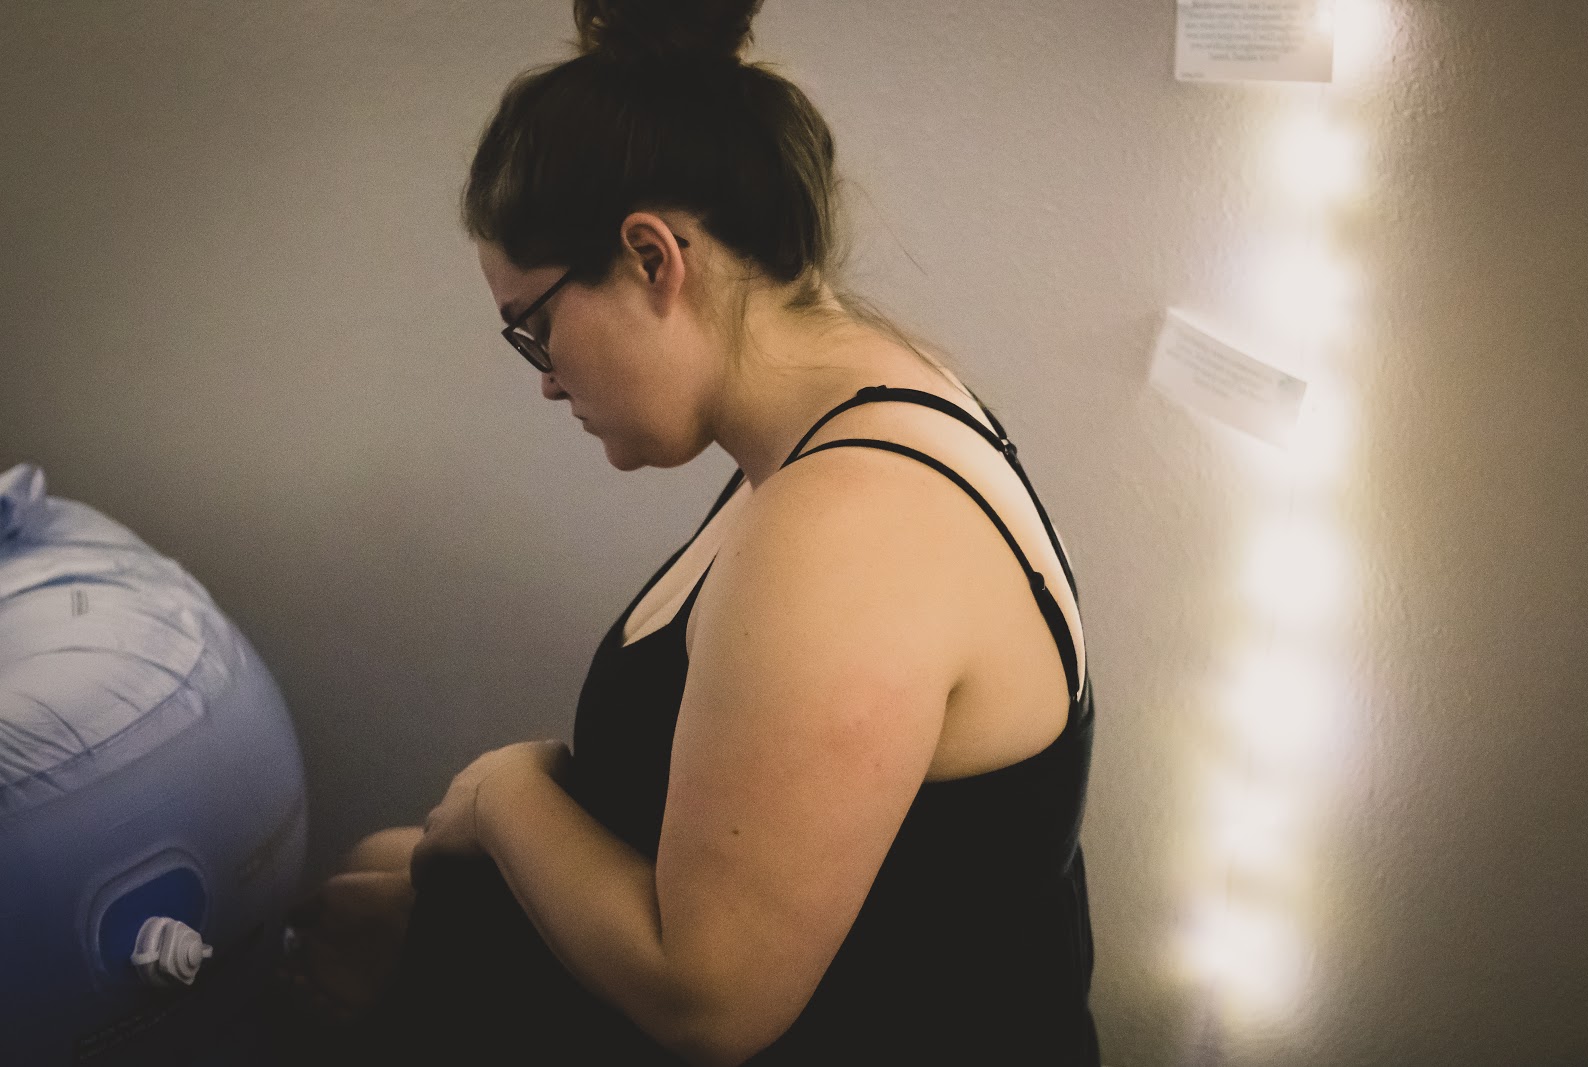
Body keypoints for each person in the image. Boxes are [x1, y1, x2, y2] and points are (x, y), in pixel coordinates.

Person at [279, 1, 1099, 1063]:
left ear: (651, 257)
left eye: (535, 326)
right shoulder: (861, 407)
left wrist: (504, 791)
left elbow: (707, 1001)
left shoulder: (852, 527)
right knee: (380, 868)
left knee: (362, 926)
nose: (545, 380)